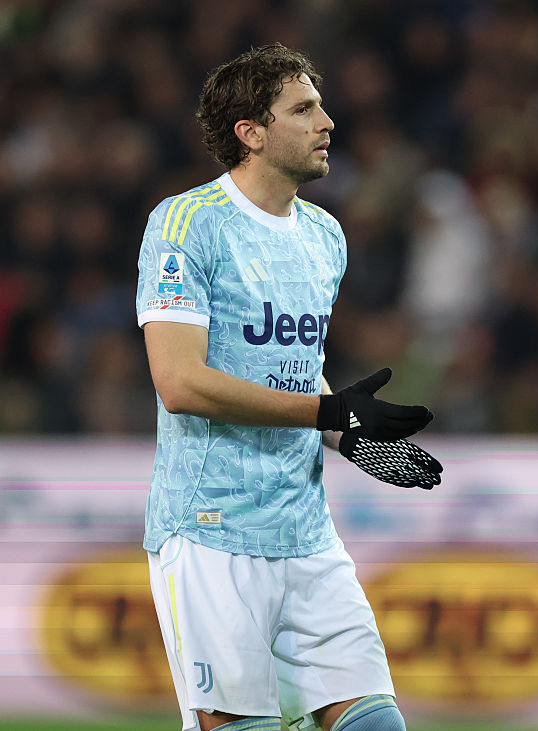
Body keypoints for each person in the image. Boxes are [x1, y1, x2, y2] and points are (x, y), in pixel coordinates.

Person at [136, 43, 441, 731]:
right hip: (212, 528)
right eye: (303, 109)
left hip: (305, 530)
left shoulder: (324, 236)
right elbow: (179, 381)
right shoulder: (186, 224)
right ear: (251, 132)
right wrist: (325, 409)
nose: (327, 122)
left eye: (321, 105)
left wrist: (348, 437)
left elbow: (297, 368)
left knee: (376, 723)